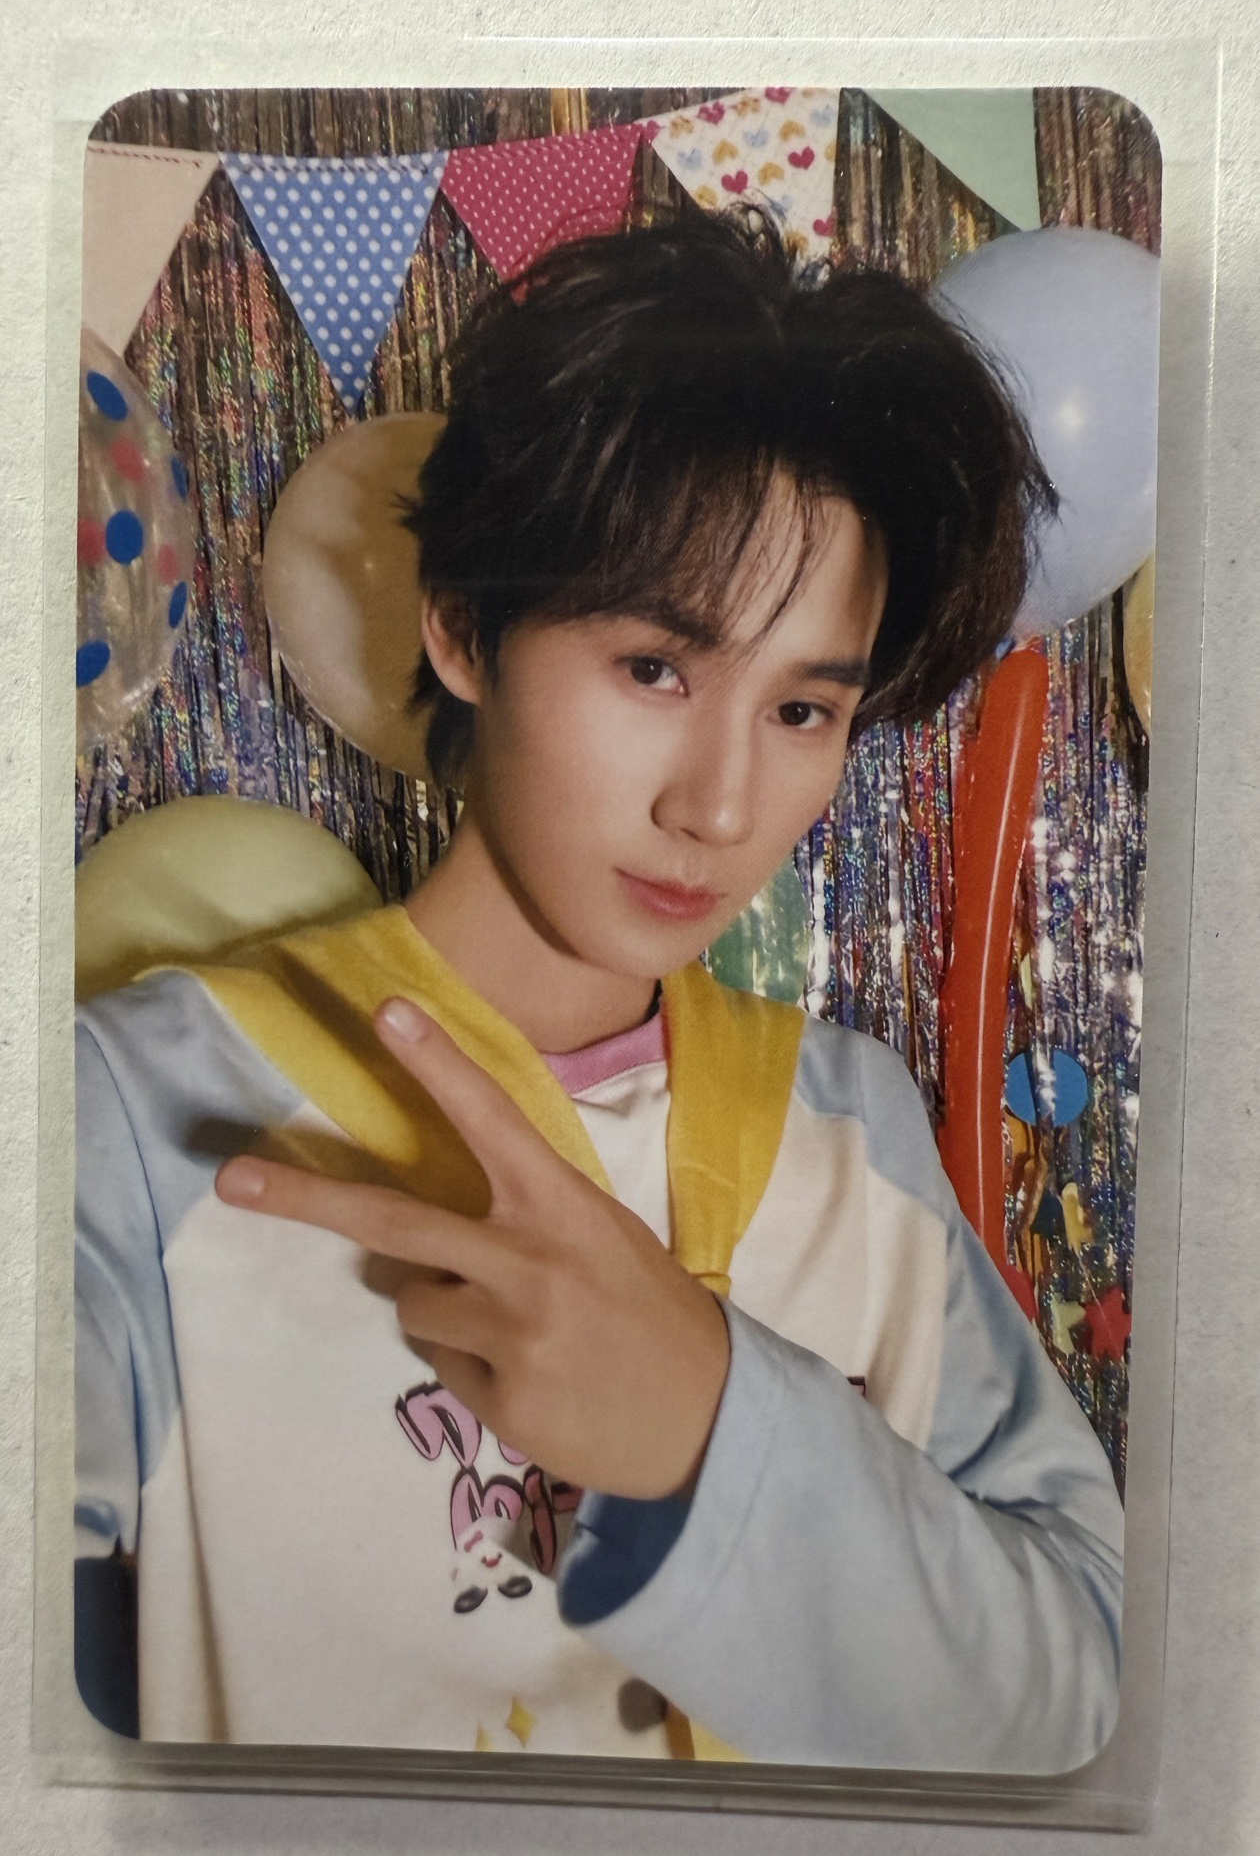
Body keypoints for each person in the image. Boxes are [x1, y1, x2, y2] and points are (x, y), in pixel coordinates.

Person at [74, 206, 1123, 1772]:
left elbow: (1084, 1693)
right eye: (655, 668)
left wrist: (714, 1426)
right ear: (464, 625)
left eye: (803, 709)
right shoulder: (141, 1111)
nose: (720, 805)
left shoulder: (850, 1125)